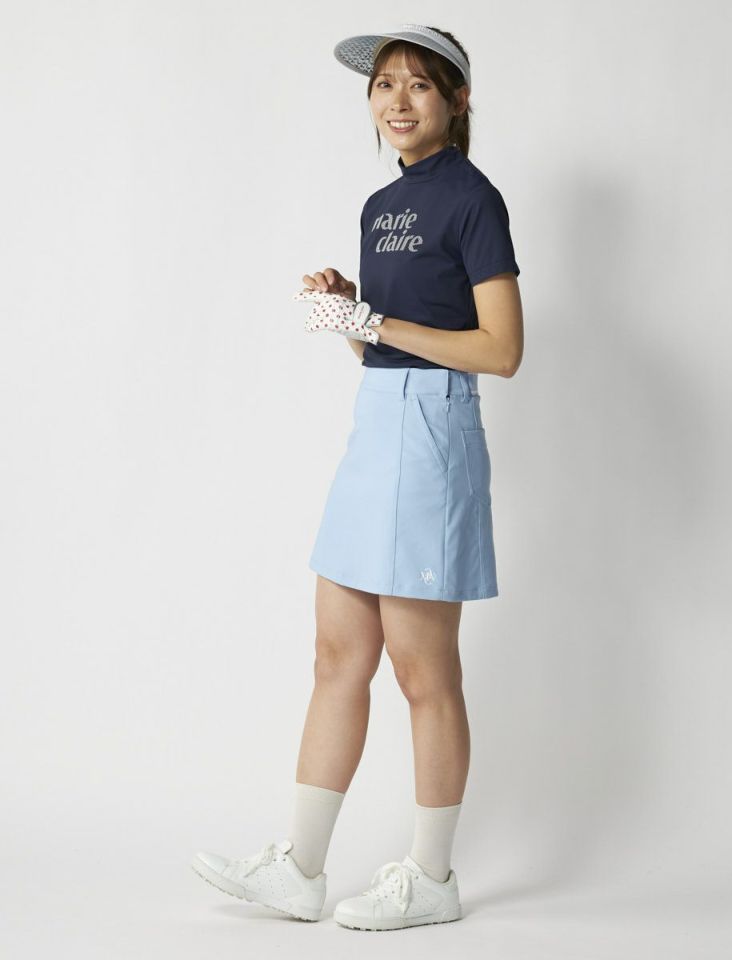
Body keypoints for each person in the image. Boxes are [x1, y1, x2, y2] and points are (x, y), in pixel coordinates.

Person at [192, 23, 523, 931]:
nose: (397, 101)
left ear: (457, 100)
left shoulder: (473, 199)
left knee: (425, 671)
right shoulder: (381, 207)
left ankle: (433, 877)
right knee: (337, 654)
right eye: (383, 85)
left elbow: (501, 350)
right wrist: (349, 312)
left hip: (434, 428)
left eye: (419, 84)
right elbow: (382, 346)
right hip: (375, 424)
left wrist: (377, 323)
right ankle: (300, 868)